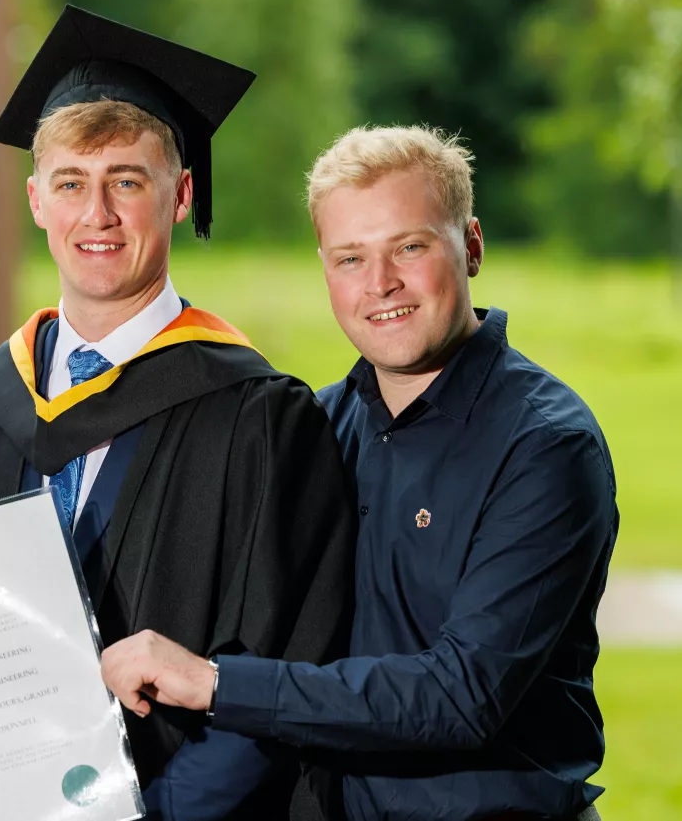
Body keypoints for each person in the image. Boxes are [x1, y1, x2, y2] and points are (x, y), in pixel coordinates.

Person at [0, 6, 355, 820]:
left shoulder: (260, 419)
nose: (98, 215)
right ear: (35, 200)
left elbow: (276, 678)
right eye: (71, 184)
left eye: (127, 181)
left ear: (180, 194)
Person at [100, 125, 617, 821]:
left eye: (410, 246)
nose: (380, 284)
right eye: (351, 258)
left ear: (471, 245)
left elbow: (462, 695)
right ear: (326, 271)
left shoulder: (547, 447)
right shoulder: (316, 428)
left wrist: (218, 684)